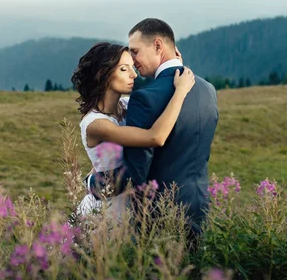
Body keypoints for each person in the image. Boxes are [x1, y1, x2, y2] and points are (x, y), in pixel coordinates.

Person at [70, 41, 195, 220]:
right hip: (105, 211)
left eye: (132, 67)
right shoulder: (96, 124)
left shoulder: (128, 105)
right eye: (123, 69)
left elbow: (159, 101)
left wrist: (174, 65)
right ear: (102, 74)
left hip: (130, 205)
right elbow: (155, 137)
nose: (133, 75)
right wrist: (180, 91)